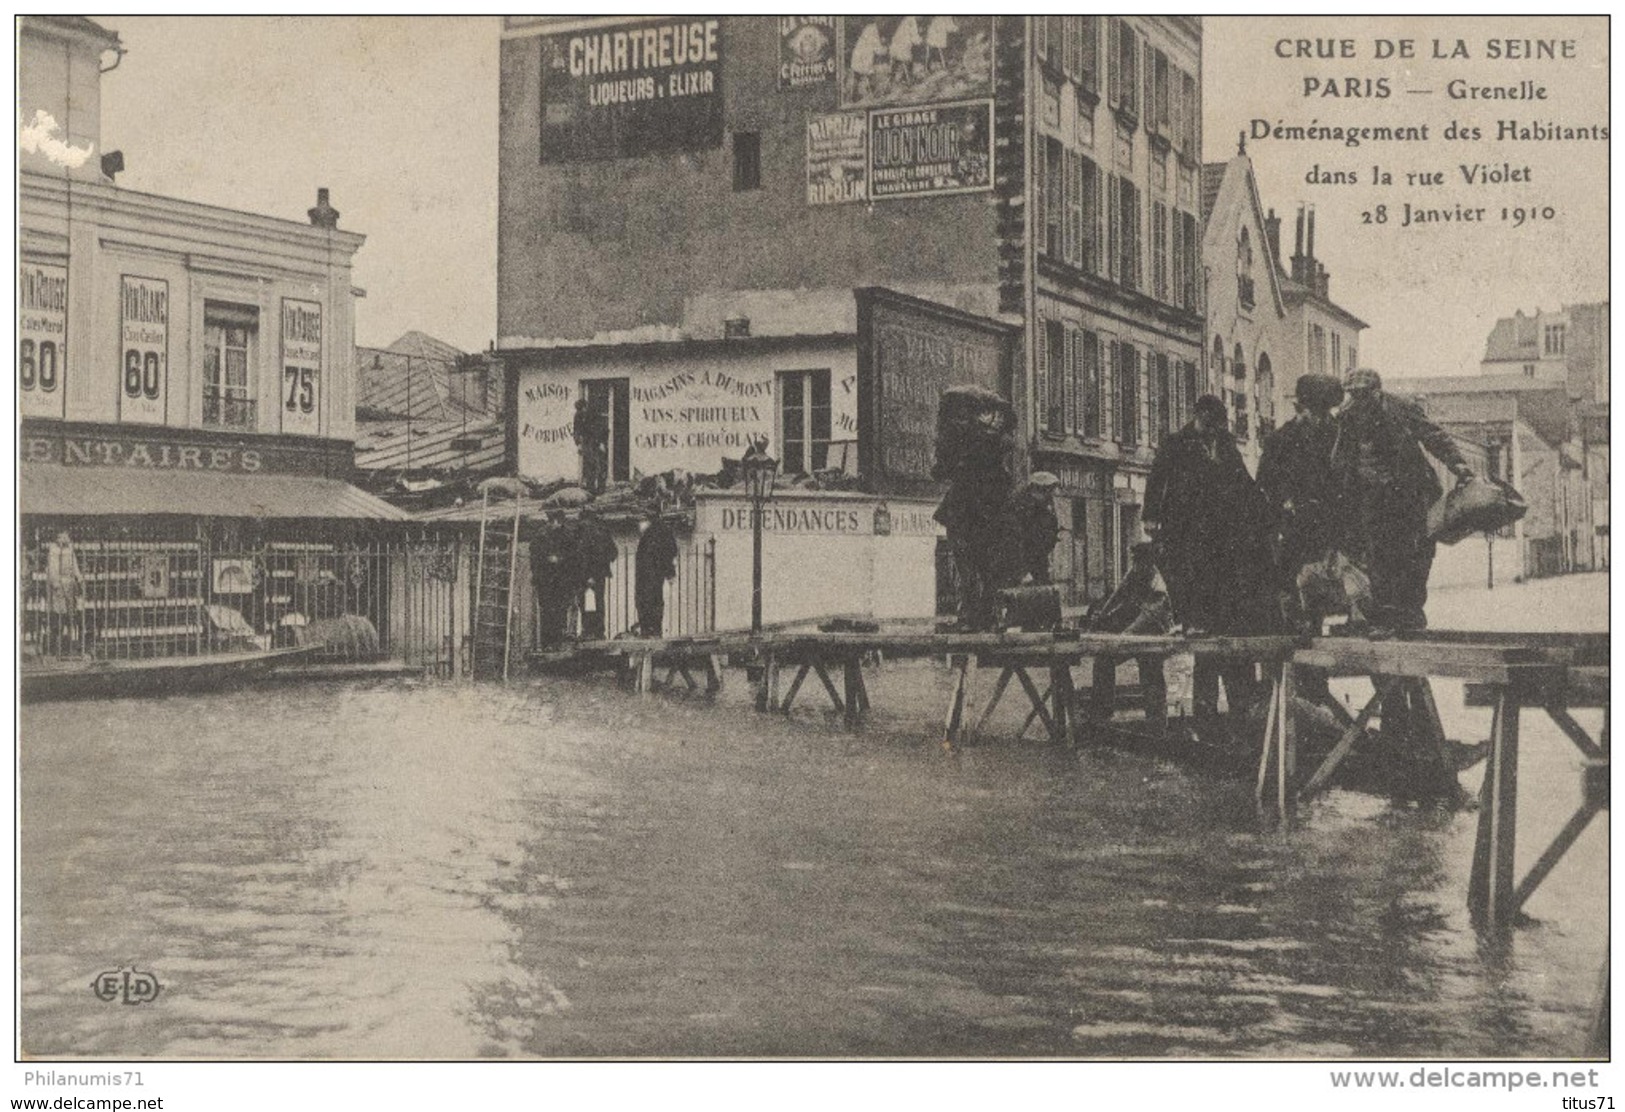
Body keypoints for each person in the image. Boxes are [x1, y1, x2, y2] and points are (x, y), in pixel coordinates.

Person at [1144, 394, 1273, 715]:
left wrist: (1263, 509)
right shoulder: (1177, 443)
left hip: (1219, 529)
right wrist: (1150, 516)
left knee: (1219, 587)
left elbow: (1243, 482)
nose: (1214, 430)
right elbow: (1156, 479)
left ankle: (1223, 704)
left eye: (1218, 425)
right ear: (1199, 416)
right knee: (1193, 578)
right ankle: (1197, 623)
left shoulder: (1225, 444)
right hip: (1186, 525)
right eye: (1210, 423)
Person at [1331, 368, 1473, 633]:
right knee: (1379, 558)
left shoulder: (1401, 409)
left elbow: (1434, 437)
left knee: (1416, 555)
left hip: (1411, 495)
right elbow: (1339, 461)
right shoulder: (1347, 418)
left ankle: (1411, 616)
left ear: (1377, 391)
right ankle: (1386, 620)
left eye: (1363, 394)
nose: (1358, 400)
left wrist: (1459, 466)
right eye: (1353, 394)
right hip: (1374, 500)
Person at [1257, 374, 1346, 633]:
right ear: (1299, 409)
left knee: (1323, 591)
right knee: (1291, 591)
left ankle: (1314, 653)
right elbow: (1265, 484)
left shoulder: (1337, 436)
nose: (1320, 419)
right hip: (1292, 527)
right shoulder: (1280, 441)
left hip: (1329, 527)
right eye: (1314, 412)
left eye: (1325, 412)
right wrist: (1282, 507)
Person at [1085, 541, 1173, 727]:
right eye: (1135, 561)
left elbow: (1148, 615)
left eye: (1140, 562)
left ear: (1149, 563)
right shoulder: (1134, 575)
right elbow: (1119, 598)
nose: (1136, 566)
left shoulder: (1157, 583)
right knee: (1104, 657)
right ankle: (1102, 713)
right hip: (1134, 630)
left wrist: (1124, 636)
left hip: (1154, 632)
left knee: (1150, 670)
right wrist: (1102, 616)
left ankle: (1156, 718)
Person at [634, 507, 680, 638]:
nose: (639, 524)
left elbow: (668, 553)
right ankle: (654, 630)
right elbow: (671, 552)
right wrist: (670, 572)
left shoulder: (652, 533)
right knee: (655, 601)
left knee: (646, 602)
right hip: (655, 575)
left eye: (642, 520)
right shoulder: (662, 531)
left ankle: (647, 630)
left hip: (648, 574)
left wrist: (670, 572)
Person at [1014, 471, 1061, 584]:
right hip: (1028, 560)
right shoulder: (1026, 508)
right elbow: (1021, 538)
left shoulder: (1047, 509)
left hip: (1040, 558)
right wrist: (1024, 571)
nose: (1050, 494)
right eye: (1048, 490)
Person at [44, 529, 85, 656]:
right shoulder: (54, 550)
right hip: (59, 586)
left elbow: (75, 566)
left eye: (66, 536)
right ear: (57, 538)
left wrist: (79, 577)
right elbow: (53, 569)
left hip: (69, 585)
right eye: (61, 536)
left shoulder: (70, 549)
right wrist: (56, 583)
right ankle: (56, 647)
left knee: (70, 615)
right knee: (58, 615)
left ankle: (68, 646)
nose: (64, 538)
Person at [573, 398, 609, 495]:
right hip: (587, 442)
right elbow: (576, 430)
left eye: (582, 409)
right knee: (590, 465)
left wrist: (601, 442)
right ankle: (590, 488)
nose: (581, 412)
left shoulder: (594, 415)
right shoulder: (578, 415)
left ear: (586, 407)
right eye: (579, 410)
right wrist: (579, 444)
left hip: (598, 440)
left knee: (600, 465)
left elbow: (602, 429)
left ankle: (601, 488)